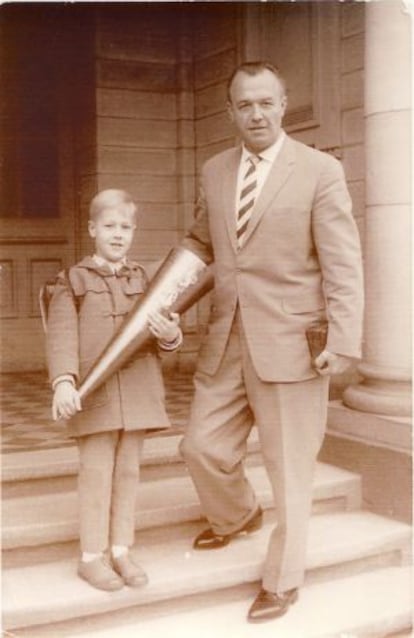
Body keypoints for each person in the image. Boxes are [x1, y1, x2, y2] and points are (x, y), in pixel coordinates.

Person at [180, 61, 363, 623]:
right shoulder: (213, 170)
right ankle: (236, 516)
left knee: (290, 472)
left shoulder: (318, 171)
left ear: (283, 105)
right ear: (230, 111)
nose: (255, 113)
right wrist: (160, 307)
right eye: (244, 104)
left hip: (292, 342)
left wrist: (345, 337)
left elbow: (343, 261)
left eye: (265, 102)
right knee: (199, 447)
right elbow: (198, 244)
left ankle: (282, 581)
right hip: (226, 338)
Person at [46, 188, 182, 591]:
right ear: (92, 230)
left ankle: (121, 549)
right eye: (109, 226)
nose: (118, 234)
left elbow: (166, 337)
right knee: (96, 472)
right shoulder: (72, 280)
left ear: (134, 231)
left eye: (125, 227)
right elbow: (61, 335)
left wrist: (171, 334)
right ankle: (92, 556)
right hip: (95, 393)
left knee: (128, 472)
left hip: (138, 391)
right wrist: (64, 382)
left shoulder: (147, 280)